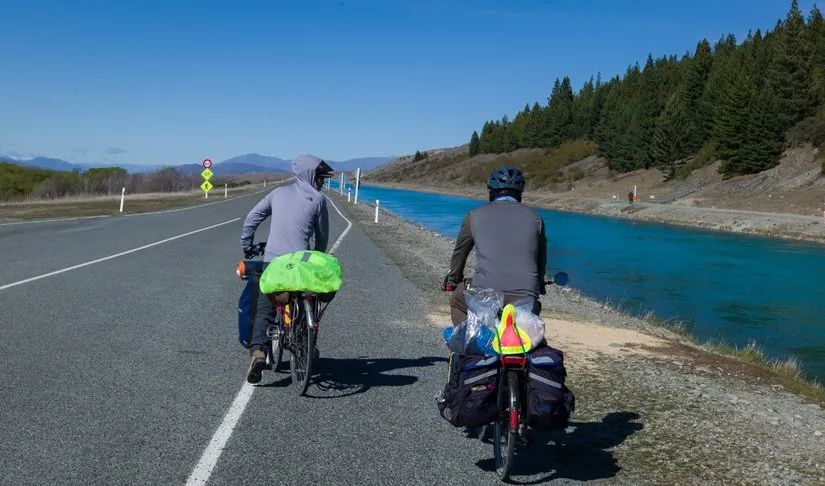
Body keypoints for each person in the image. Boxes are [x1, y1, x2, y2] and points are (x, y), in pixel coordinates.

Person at [240, 154, 334, 384]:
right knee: (307, 297)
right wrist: (318, 258)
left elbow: (252, 218)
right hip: (301, 265)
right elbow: (322, 238)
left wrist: (247, 244)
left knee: (264, 310)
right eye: (320, 177)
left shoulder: (278, 193)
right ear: (310, 175)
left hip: (274, 264)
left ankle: (259, 353)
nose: (321, 181)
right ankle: (305, 342)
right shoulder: (319, 200)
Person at [443, 166, 547, 326]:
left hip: (485, 295)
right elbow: (540, 259)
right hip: (526, 297)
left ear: (491, 191)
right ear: (520, 194)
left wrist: (453, 280)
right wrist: (539, 285)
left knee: (457, 299)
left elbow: (460, 252)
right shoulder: (536, 218)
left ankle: (468, 341)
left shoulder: (474, 215)